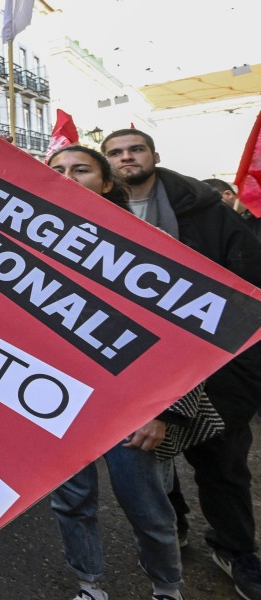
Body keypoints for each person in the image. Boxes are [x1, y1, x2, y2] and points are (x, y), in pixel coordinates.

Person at [102, 129, 261, 600]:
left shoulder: (206, 211)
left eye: (135, 150)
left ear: (154, 156)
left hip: (215, 366)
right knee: (155, 461)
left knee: (224, 464)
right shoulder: (95, 213)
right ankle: (176, 527)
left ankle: (235, 550)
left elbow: (247, 291)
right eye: (116, 153)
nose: (126, 158)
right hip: (137, 365)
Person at [47, 145, 187, 600]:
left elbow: (182, 340)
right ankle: (89, 584)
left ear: (107, 183)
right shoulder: (24, 244)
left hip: (130, 404)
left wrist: (162, 409)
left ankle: (167, 588)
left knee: (147, 506)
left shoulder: (147, 245)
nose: (68, 177)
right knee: (71, 501)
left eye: (81, 170)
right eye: (58, 170)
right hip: (55, 399)